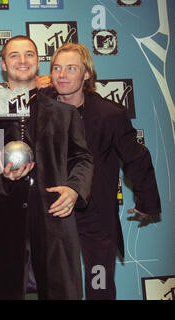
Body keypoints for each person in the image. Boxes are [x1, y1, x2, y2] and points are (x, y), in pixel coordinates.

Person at [0, 35, 94, 300]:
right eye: (14, 55)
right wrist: (2, 176)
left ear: (38, 63)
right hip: (5, 231)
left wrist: (74, 190)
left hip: (54, 228)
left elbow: (82, 160)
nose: (22, 60)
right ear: (3, 64)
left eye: (29, 54)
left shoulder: (65, 114)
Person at [48, 42, 161, 299]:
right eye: (57, 68)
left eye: (71, 68)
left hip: (94, 215)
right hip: (51, 213)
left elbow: (137, 158)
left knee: (99, 286)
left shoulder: (109, 114)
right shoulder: (40, 106)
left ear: (86, 74)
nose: (62, 75)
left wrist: (147, 202)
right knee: (55, 287)